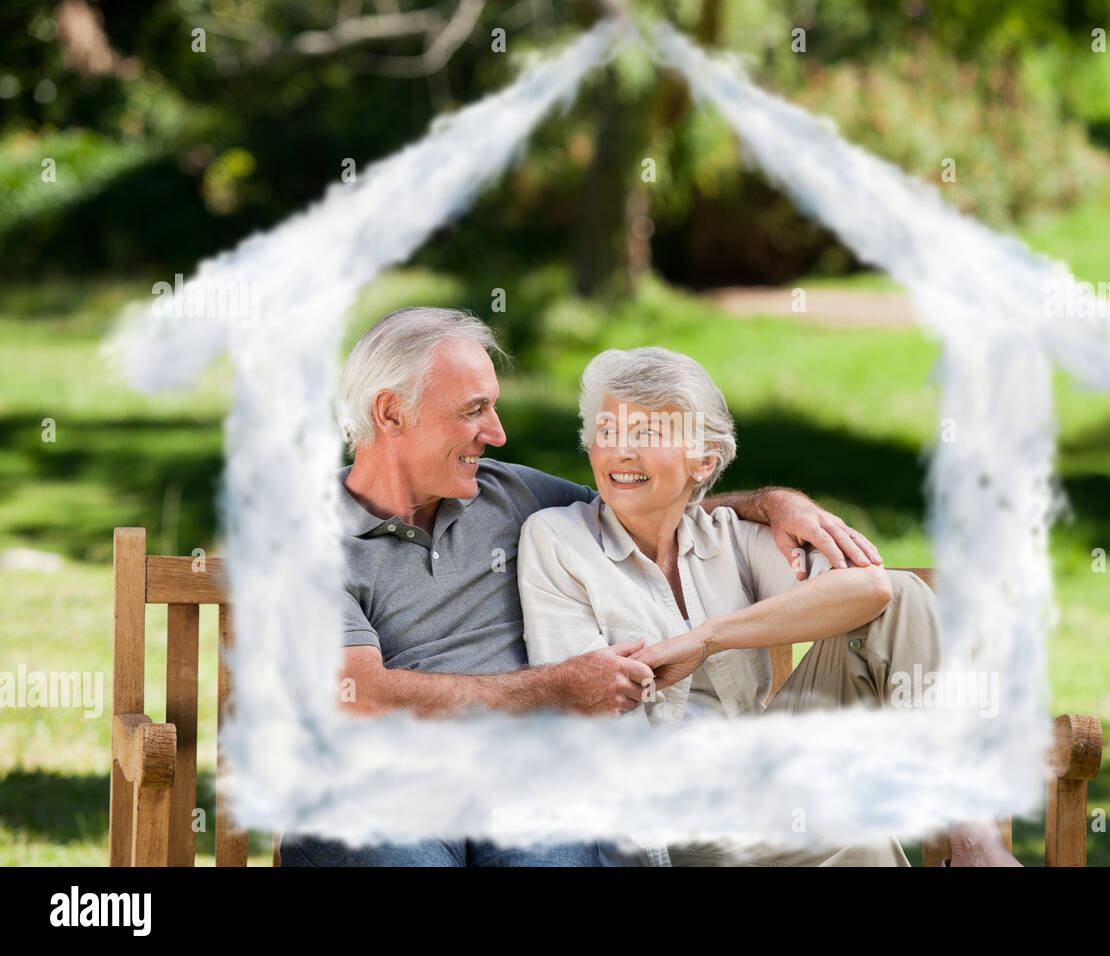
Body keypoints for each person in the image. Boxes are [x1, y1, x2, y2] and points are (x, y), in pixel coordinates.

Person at [277, 307, 885, 867]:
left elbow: (647, 499)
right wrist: (556, 687)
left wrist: (774, 503)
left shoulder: (506, 494)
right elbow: (360, 698)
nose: (497, 433)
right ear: (390, 413)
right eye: (473, 410)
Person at [517, 345, 1022, 866]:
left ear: (704, 460)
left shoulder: (730, 538)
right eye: (607, 433)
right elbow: (583, 707)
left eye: (646, 435)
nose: (620, 452)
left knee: (904, 599)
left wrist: (709, 637)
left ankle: (975, 845)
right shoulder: (557, 540)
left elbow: (872, 591)